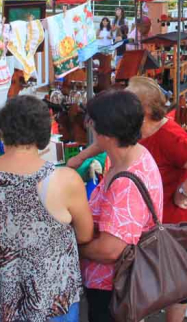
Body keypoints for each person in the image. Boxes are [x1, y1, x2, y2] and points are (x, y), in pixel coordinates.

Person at [70, 77, 187, 322]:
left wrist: (182, 193)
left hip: (118, 280)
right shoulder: (137, 149)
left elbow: (111, 251)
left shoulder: (130, 177)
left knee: (170, 294)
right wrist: (80, 158)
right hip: (132, 265)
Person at [0, 96, 93, 322]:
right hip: (51, 300)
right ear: (44, 133)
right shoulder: (64, 179)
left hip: (0, 300)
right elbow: (85, 235)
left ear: (1, 130)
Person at [78, 90, 163, 322]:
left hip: (113, 287)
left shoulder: (126, 184)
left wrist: (74, 249)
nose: (90, 128)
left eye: (93, 123)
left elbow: (110, 251)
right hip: (118, 283)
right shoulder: (135, 153)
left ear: (106, 133)